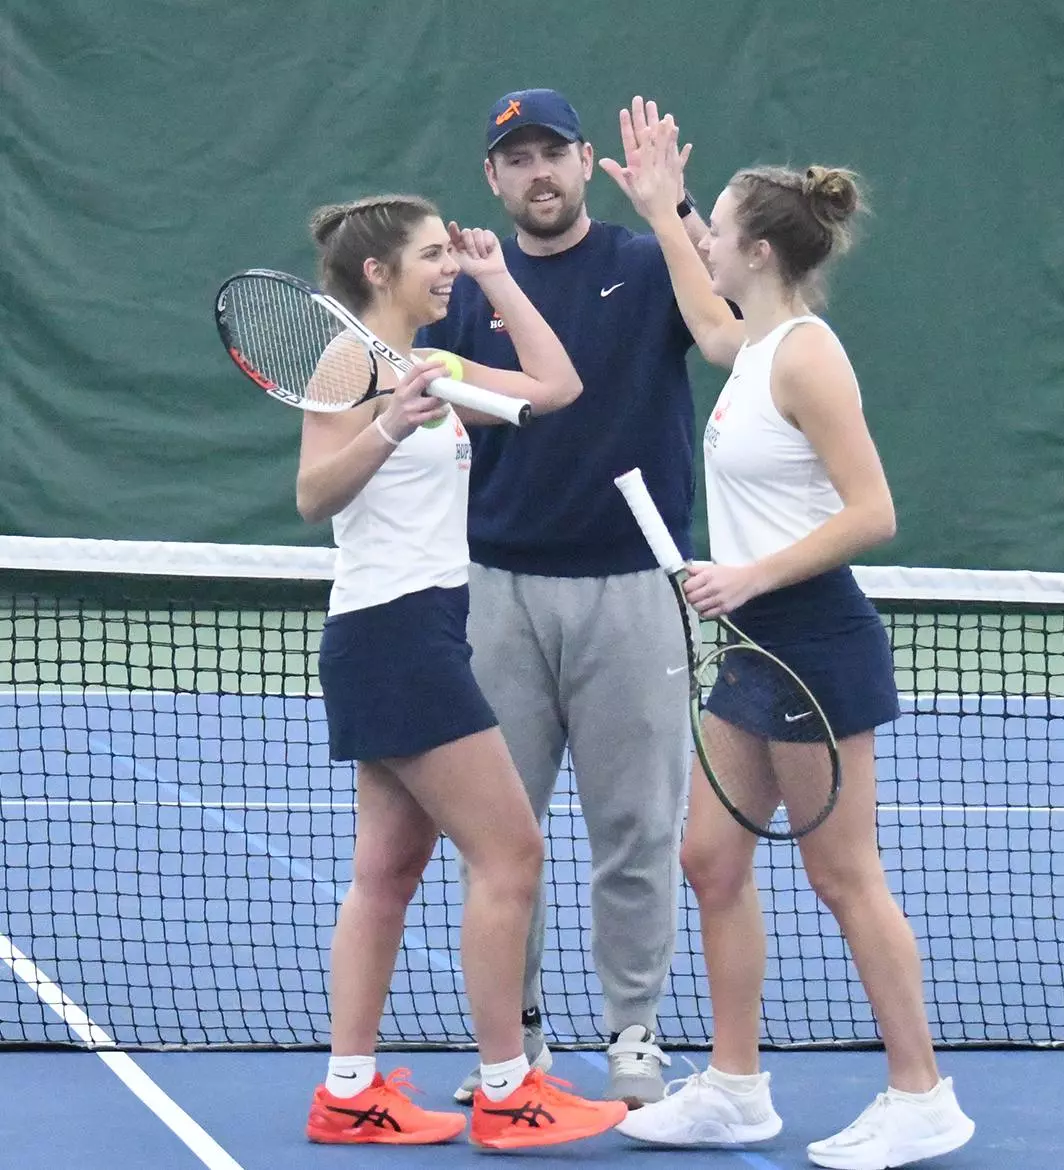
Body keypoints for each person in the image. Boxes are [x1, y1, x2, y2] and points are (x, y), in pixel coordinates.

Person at [602, 113, 976, 1168]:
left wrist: (749, 574)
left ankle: (922, 1095)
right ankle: (733, 1088)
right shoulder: (753, 345)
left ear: (759, 250)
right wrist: (662, 210)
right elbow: (707, 319)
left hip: (813, 638)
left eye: (716, 227)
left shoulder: (808, 356)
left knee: (844, 876)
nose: (705, 239)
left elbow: (873, 512)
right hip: (754, 646)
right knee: (711, 859)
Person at [296, 192, 628, 1150]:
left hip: (427, 625)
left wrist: (496, 277)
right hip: (392, 633)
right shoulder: (350, 360)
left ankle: (350, 1091)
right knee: (511, 854)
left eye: (451, 254)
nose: (448, 266)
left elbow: (556, 385)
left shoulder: (429, 360)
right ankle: (507, 1090)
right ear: (378, 272)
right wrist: (393, 423)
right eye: (435, 255)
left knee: (388, 874)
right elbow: (315, 494)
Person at [416, 90, 711, 1108]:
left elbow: (733, 314)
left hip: (635, 593)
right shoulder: (460, 290)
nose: (537, 172)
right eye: (516, 158)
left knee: (638, 828)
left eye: (553, 152)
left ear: (587, 163)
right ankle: (518, 1042)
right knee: (504, 835)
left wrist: (681, 215)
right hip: (496, 590)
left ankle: (635, 1033)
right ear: (492, 179)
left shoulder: (645, 263)